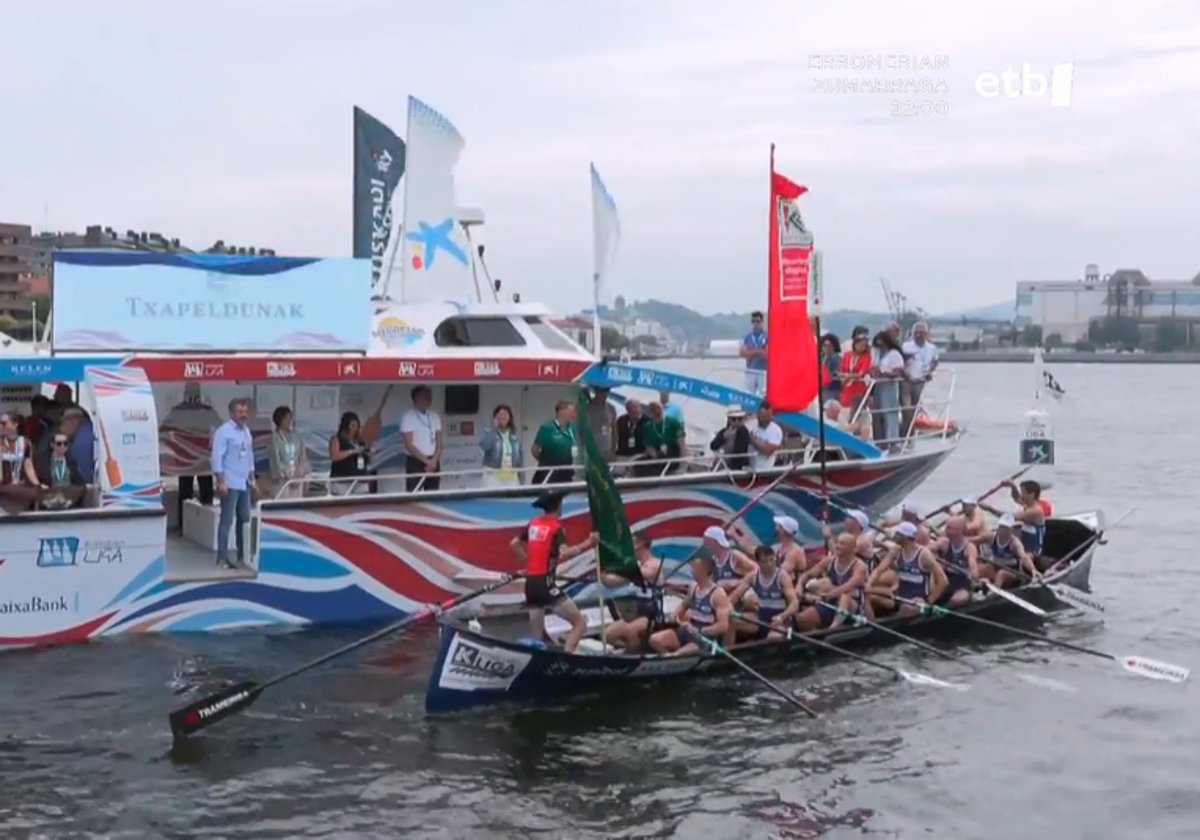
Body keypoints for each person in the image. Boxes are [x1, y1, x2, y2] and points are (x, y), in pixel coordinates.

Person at [508, 490, 596, 652]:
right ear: (559, 506)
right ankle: (566, 658)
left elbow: (514, 544)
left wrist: (528, 563)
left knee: (538, 637)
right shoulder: (556, 528)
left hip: (531, 585)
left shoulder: (533, 524)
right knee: (580, 623)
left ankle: (538, 659)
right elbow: (565, 552)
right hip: (546, 585)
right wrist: (589, 543)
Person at [649, 554, 733, 656]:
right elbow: (684, 605)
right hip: (688, 630)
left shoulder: (718, 594)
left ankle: (675, 657)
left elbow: (723, 626)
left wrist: (699, 630)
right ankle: (673, 660)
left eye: (694, 568)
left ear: (704, 571)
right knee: (654, 640)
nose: (691, 570)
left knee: (677, 654)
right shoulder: (693, 587)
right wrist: (674, 615)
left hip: (705, 637)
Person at [211, 397, 256, 570]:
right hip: (230, 483)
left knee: (244, 519)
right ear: (231, 413)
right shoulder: (224, 431)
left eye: (245, 411)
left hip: (244, 483)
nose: (243, 415)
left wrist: (252, 478)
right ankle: (222, 558)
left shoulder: (246, 431)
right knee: (226, 520)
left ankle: (242, 555)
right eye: (240, 412)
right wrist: (221, 481)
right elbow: (217, 457)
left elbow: (250, 456)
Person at [601, 530, 666, 651]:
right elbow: (612, 583)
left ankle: (633, 653)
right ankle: (634, 649)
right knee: (607, 635)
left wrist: (619, 570)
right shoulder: (636, 565)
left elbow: (640, 574)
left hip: (651, 615)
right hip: (635, 613)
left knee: (629, 630)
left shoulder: (655, 564)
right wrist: (603, 573)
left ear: (639, 544)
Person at [868, 521, 947, 616]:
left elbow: (943, 581)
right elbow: (879, 569)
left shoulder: (924, 555)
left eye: (898, 534)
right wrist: (869, 583)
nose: (894, 535)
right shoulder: (896, 550)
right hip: (900, 596)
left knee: (905, 609)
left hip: (917, 600)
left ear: (906, 537)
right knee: (867, 595)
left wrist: (929, 601)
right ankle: (866, 623)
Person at [795, 533, 869, 630]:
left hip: (853, 606)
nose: (837, 546)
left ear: (853, 549)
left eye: (842, 544)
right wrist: (799, 586)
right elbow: (807, 575)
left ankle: (833, 628)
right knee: (802, 619)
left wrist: (828, 595)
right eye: (837, 542)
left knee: (845, 594)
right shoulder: (829, 561)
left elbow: (849, 585)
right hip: (831, 602)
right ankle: (819, 636)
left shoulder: (859, 566)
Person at [730, 544, 799, 639]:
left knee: (772, 638)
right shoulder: (753, 576)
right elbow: (735, 595)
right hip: (762, 618)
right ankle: (726, 650)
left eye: (771, 560)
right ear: (758, 562)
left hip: (782, 620)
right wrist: (727, 608)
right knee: (730, 621)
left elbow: (794, 604)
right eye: (764, 562)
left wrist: (782, 617)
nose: (769, 564)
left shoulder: (782, 577)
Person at [980, 479, 1047, 560]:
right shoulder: (1028, 505)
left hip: (1033, 551)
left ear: (1032, 494)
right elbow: (1016, 498)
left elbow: (1009, 517)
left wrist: (989, 509)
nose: (1021, 495)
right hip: (1023, 545)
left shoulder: (1035, 511)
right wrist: (1012, 486)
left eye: (1023, 492)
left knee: (1022, 558)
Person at [27, 430, 88, 510]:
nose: (62, 446)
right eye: (59, 444)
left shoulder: (71, 461)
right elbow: (39, 480)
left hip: (68, 497)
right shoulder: (43, 462)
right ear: (52, 445)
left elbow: (78, 480)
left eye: (65, 443)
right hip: (49, 497)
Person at [978, 513, 1040, 588]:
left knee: (1001, 574)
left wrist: (1033, 569)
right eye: (1001, 527)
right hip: (995, 567)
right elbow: (973, 540)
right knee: (982, 568)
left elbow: (1024, 557)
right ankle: (976, 586)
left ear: (1011, 529)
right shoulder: (991, 537)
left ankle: (993, 590)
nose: (1002, 530)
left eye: (1005, 528)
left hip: (1012, 572)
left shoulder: (1015, 543)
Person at [400, 385, 443, 492]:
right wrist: (426, 462)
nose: (429, 399)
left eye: (429, 396)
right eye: (425, 396)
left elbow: (440, 442)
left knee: (433, 494)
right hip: (416, 462)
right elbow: (409, 445)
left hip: (433, 460)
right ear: (416, 398)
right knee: (414, 494)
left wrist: (434, 461)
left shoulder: (434, 416)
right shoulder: (408, 417)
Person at [901, 321, 939, 437]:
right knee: (906, 408)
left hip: (920, 381)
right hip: (906, 381)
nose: (918, 335)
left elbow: (935, 361)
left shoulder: (932, 348)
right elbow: (900, 362)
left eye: (921, 333)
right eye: (916, 333)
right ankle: (905, 433)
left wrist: (929, 371)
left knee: (914, 408)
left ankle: (909, 433)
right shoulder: (906, 346)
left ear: (926, 334)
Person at [933, 515, 980, 608]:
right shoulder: (944, 543)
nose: (945, 530)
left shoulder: (969, 547)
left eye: (949, 528)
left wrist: (974, 574)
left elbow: (973, 565)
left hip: (963, 581)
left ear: (959, 531)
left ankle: (943, 610)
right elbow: (926, 550)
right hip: (945, 579)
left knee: (958, 599)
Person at [870, 330, 906, 448]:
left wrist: (883, 372)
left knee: (890, 413)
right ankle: (880, 442)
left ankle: (893, 441)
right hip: (878, 385)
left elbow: (897, 372)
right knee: (877, 414)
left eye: (881, 343)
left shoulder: (894, 354)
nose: (879, 346)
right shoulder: (878, 354)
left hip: (889, 385)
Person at [702, 524, 758, 595]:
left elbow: (755, 569)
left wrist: (739, 583)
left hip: (740, 593)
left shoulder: (734, 555)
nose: (705, 544)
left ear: (714, 541)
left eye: (707, 541)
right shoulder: (713, 560)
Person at [268, 406, 310, 499]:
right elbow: (275, 459)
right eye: (287, 418)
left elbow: (303, 456)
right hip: (282, 481)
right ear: (280, 420)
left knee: (296, 506)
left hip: (297, 478)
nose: (290, 421)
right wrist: (286, 474)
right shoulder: (275, 438)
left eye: (291, 418)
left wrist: (300, 471)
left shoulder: (297, 436)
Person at [531, 400, 577, 485]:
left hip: (567, 471)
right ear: (562, 411)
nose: (574, 414)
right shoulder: (547, 428)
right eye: (572, 411)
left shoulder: (573, 428)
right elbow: (535, 449)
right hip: (549, 472)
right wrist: (545, 461)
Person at [478, 404, 524, 488]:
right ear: (495, 417)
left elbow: (520, 456)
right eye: (501, 415)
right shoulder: (488, 431)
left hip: (511, 476)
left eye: (506, 414)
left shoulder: (514, 434)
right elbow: (484, 445)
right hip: (493, 476)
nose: (503, 417)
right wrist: (493, 430)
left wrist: (521, 476)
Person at [329, 411, 372, 494]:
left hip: (360, 479)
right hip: (343, 480)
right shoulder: (337, 439)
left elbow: (367, 459)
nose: (354, 428)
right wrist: (351, 452)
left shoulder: (360, 441)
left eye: (357, 426)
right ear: (345, 426)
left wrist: (368, 453)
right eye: (352, 426)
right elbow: (334, 456)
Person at [638, 401, 685, 476]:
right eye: (654, 409)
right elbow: (648, 446)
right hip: (658, 454)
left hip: (673, 453)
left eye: (659, 408)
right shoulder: (647, 427)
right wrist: (656, 456)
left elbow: (681, 444)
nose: (657, 411)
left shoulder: (674, 423)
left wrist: (682, 464)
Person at [839, 326, 873, 417]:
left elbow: (861, 374)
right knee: (844, 411)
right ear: (855, 344)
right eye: (860, 345)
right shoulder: (847, 355)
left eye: (864, 346)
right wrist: (843, 377)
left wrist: (848, 376)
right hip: (846, 386)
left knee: (856, 412)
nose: (862, 347)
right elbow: (841, 370)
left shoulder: (866, 357)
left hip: (858, 388)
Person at [709, 405, 752, 471]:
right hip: (722, 466)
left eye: (739, 419)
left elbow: (740, 451)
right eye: (734, 419)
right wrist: (723, 437)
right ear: (729, 419)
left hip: (735, 469)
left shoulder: (744, 432)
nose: (737, 422)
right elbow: (713, 446)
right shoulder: (724, 431)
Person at [59, 407, 95, 483]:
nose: (61, 428)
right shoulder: (89, 429)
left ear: (75, 421)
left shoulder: (82, 440)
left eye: (63, 423)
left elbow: (86, 476)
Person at [745, 401, 783, 472]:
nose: (760, 419)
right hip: (748, 469)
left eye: (763, 417)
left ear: (770, 416)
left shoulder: (776, 430)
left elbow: (767, 450)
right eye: (759, 416)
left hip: (766, 470)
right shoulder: (750, 424)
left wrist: (753, 439)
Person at [740, 310, 768, 395]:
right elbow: (742, 353)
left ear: (762, 322)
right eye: (753, 321)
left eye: (758, 321)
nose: (755, 324)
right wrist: (759, 351)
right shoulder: (747, 337)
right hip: (750, 371)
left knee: (763, 396)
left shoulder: (767, 336)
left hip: (763, 372)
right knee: (749, 395)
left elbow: (766, 355)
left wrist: (751, 351)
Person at [821, 333, 842, 403]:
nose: (826, 348)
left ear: (834, 346)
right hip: (823, 388)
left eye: (829, 346)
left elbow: (837, 373)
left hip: (832, 389)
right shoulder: (822, 358)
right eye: (825, 345)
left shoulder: (835, 358)